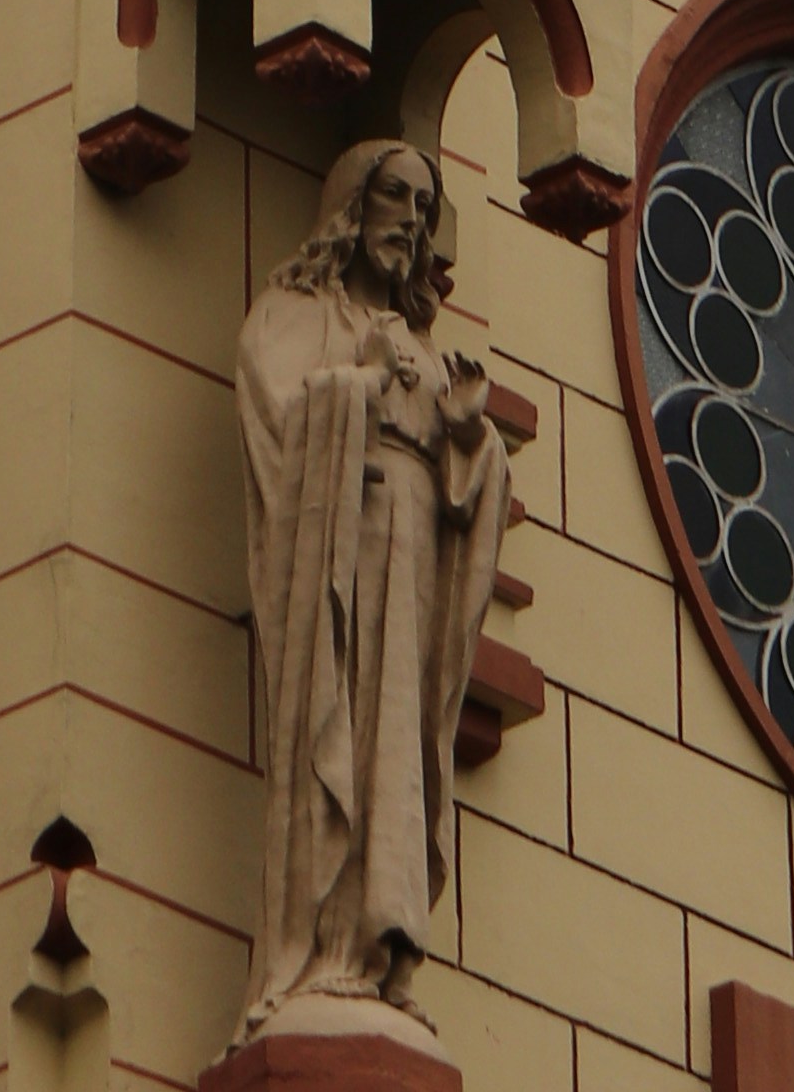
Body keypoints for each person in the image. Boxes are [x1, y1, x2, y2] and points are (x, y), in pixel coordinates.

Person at [235, 137, 514, 1032]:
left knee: (398, 747)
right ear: (354, 205)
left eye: (426, 208)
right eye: (397, 197)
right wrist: (358, 385)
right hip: (340, 566)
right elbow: (280, 418)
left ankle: (380, 946)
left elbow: (473, 483)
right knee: (340, 735)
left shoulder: (425, 348)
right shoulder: (291, 313)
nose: (412, 221)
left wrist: (467, 435)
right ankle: (323, 948)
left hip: (413, 568)